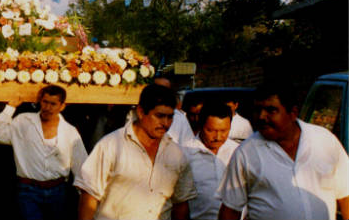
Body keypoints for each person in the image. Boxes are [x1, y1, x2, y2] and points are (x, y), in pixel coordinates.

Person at [218, 83, 349, 220]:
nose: (262, 116)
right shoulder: (246, 153)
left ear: (293, 113)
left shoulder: (324, 141)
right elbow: (230, 210)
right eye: (258, 109)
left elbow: (346, 195)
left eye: (271, 110)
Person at [75, 84, 196, 220]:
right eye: (160, 116)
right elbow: (89, 196)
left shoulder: (176, 155)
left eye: (170, 117)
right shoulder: (111, 146)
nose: (166, 123)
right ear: (141, 112)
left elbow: (181, 204)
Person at [0, 85, 88, 220]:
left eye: (53, 104)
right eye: (45, 102)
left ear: (62, 106)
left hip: (58, 191)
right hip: (27, 190)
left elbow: (81, 164)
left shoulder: (70, 131)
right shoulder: (24, 121)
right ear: (40, 101)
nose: (47, 107)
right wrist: (10, 108)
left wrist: (84, 197)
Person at [181, 103, 239, 220]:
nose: (218, 137)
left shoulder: (238, 152)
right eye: (211, 130)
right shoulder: (184, 154)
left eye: (224, 131)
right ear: (201, 125)